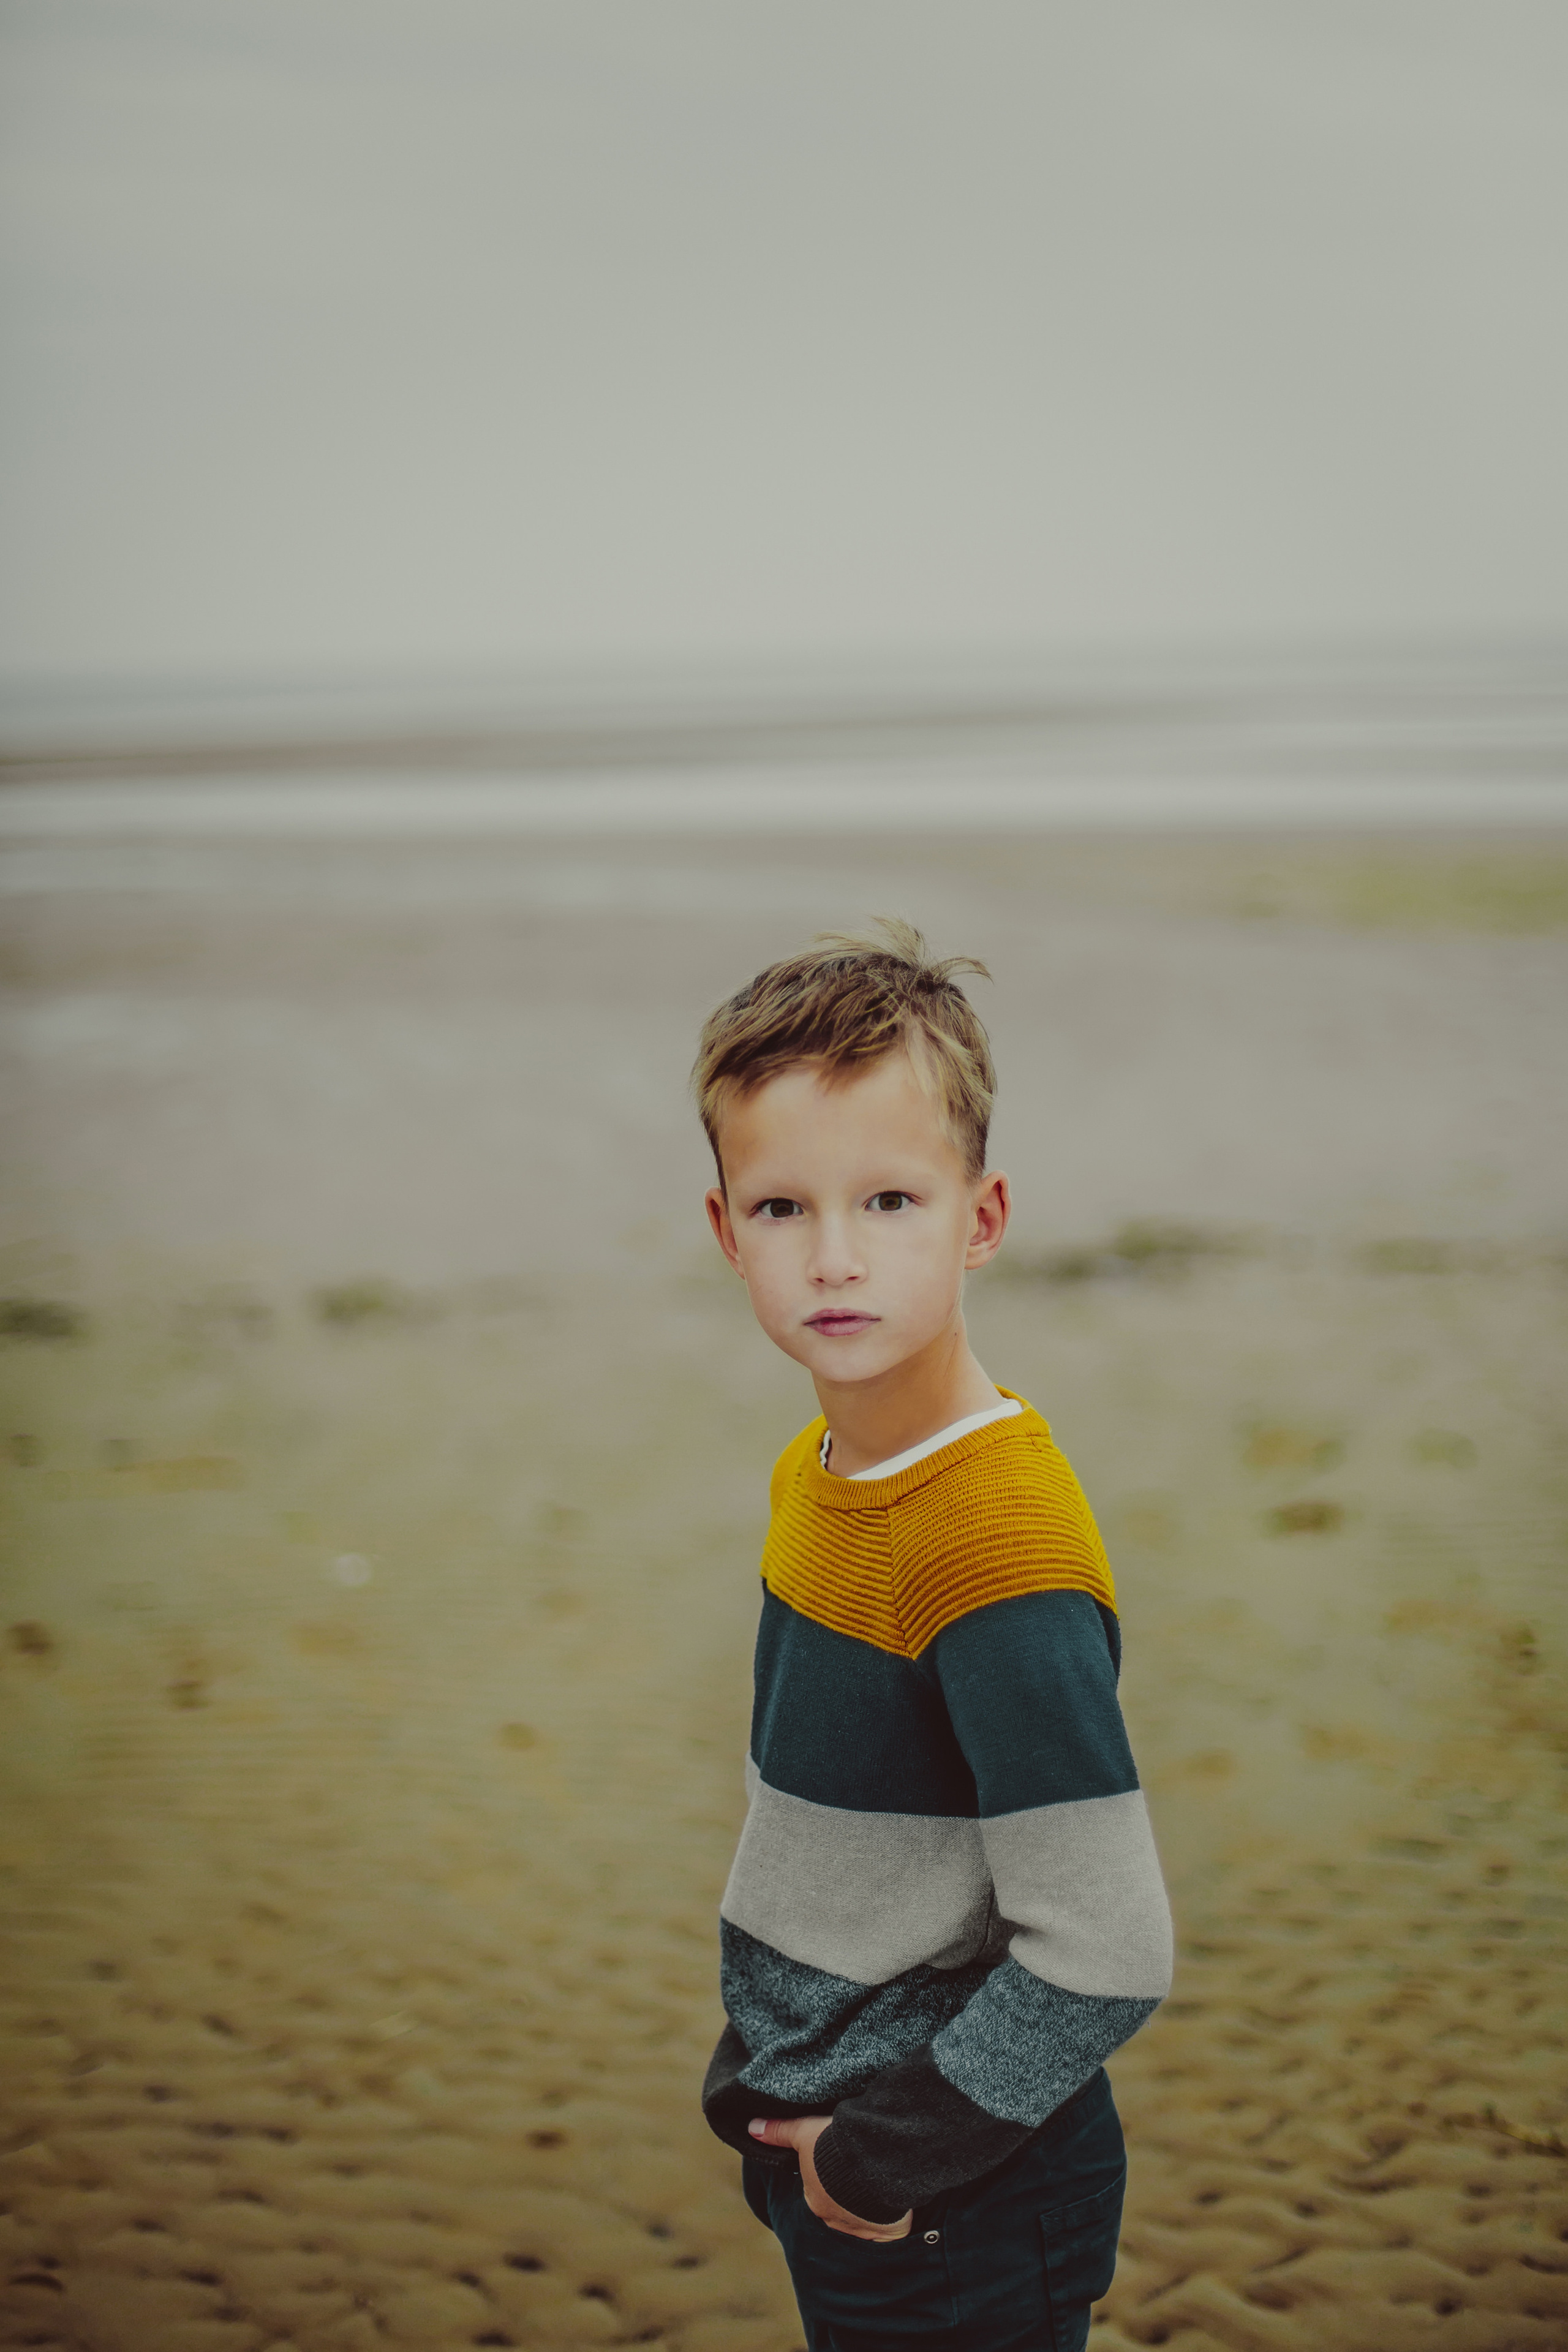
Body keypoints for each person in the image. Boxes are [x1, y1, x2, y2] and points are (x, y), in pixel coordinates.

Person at [692, 920, 1172, 2351]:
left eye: (890, 1200)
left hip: (954, 2189)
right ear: (725, 1232)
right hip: (840, 2141)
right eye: (781, 1209)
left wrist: (868, 2163)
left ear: (981, 1217)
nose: (833, 1259)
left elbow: (1105, 1947)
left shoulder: (991, 1544)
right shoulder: (816, 1469)